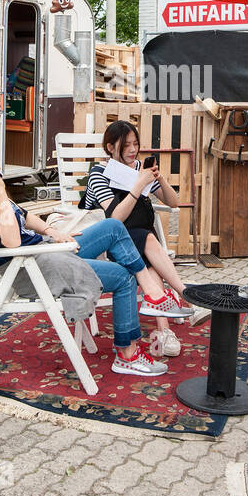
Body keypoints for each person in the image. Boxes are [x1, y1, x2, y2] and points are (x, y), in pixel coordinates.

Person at [0, 126, 174, 377]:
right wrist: (0, 190)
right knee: (122, 276)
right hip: (30, 268)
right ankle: (127, 354)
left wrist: (53, 231)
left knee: (112, 226)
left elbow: (23, 214)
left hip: (46, 252)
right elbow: (11, 242)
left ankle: (152, 291)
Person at [84, 120, 194, 357]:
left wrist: (158, 177)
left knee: (150, 258)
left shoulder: (138, 170)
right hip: (115, 241)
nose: (133, 150)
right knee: (149, 244)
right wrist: (138, 186)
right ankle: (186, 295)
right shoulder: (99, 173)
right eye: (126, 146)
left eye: (136, 144)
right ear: (111, 147)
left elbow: (173, 203)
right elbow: (114, 218)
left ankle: (164, 332)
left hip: (142, 239)